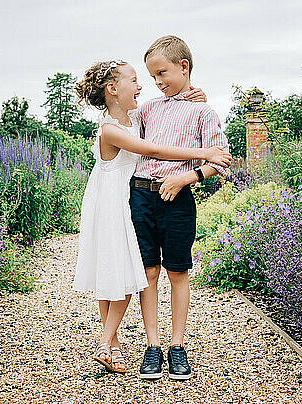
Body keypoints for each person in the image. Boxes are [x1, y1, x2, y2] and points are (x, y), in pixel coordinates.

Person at [73, 59, 232, 374]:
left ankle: (156, 345)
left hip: (143, 198)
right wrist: (202, 154)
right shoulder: (118, 125)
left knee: (151, 271)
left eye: (159, 74)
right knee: (126, 271)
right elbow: (155, 149)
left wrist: (192, 98)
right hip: (120, 201)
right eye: (140, 78)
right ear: (113, 88)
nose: (147, 84)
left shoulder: (144, 114)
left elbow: (171, 114)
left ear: (184, 67)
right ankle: (117, 344)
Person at [132, 35, 230, 380]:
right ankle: (152, 347)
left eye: (162, 73)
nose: (157, 82)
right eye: (152, 77)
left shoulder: (203, 111)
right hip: (141, 195)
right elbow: (128, 135)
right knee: (148, 273)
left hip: (177, 199)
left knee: (176, 272)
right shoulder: (147, 109)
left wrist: (186, 177)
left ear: (183, 67)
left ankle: (177, 347)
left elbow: (221, 161)